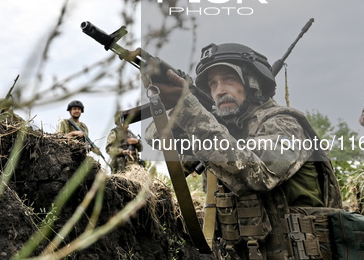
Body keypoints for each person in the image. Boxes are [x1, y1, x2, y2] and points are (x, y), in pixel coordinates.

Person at [144, 43, 342, 260]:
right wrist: (174, 113)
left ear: (253, 83)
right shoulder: (222, 132)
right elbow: (163, 143)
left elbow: (257, 175)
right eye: (212, 84)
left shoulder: (284, 123)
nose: (219, 91)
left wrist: (193, 114)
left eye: (229, 79)